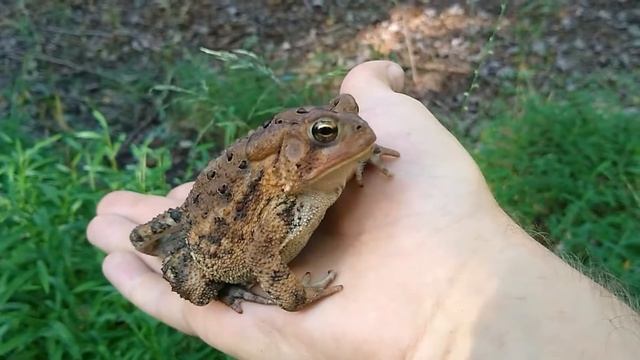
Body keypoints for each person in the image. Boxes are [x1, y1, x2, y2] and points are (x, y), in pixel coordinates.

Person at [87, 61, 640, 359]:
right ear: (297, 156)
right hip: (214, 237)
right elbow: (259, 253)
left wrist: (361, 150)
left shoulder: (312, 175)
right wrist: (294, 298)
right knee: (192, 283)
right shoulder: (279, 202)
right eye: (328, 134)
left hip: (217, 201)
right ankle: (200, 269)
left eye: (347, 119)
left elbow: (347, 139)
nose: (354, 130)